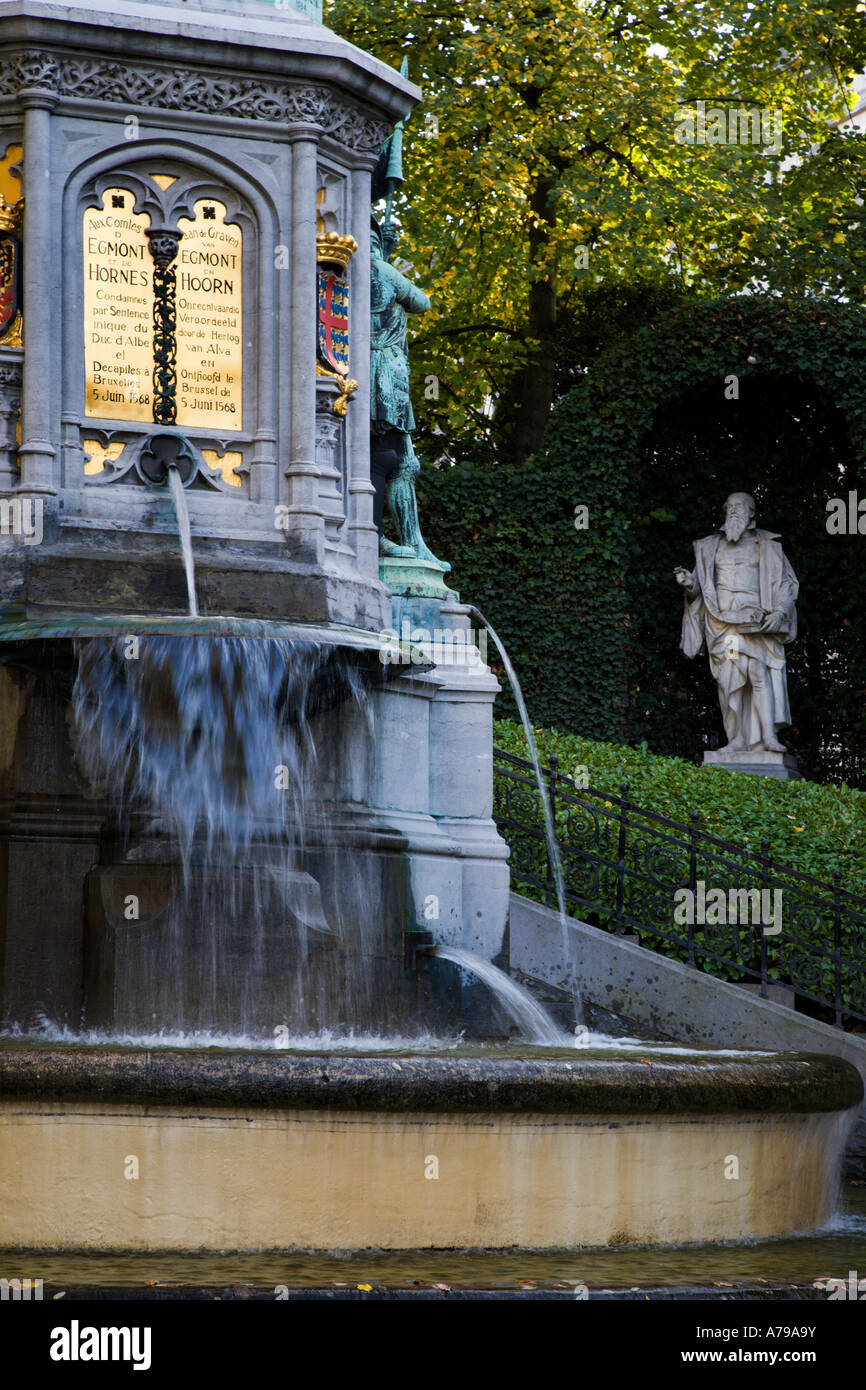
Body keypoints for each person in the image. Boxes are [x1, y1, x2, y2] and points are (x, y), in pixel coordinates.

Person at [675, 492, 798, 752]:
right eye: (729, 507)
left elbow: (786, 586)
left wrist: (778, 612)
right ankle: (737, 740)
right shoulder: (710, 546)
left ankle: (768, 739)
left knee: (758, 674)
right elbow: (701, 587)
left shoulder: (768, 545)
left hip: (755, 621)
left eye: (739, 507)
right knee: (732, 677)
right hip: (724, 625)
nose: (733, 511)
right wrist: (689, 585)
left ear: (752, 512)